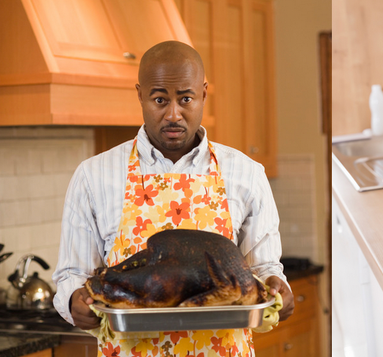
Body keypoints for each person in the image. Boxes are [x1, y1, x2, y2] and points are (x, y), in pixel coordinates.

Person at [52, 40, 296, 356]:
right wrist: (74, 302)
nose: (173, 114)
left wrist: (279, 288)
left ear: (204, 93)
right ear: (140, 94)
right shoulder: (93, 176)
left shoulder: (247, 173)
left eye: (185, 99)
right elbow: (72, 275)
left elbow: (263, 269)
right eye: (159, 99)